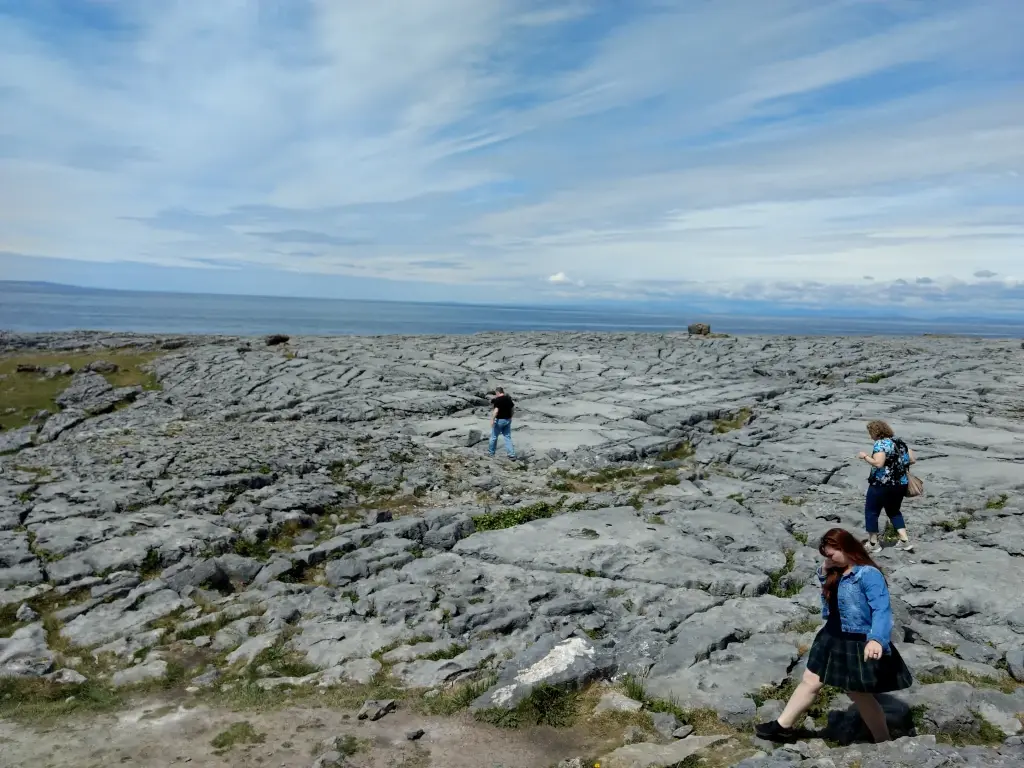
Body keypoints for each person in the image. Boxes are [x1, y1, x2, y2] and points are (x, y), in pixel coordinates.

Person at [756, 528, 913, 744]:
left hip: (856, 642)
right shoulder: (836, 571)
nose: (828, 559)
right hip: (831, 636)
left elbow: (882, 610)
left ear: (846, 548)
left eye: (831, 554)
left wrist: (876, 639)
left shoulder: (868, 575)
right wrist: (825, 570)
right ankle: (782, 726)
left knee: (858, 694)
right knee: (810, 680)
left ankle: (883, 741)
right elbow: (833, 601)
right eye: (826, 555)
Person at [858, 420, 916, 553]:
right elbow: (911, 460)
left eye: (870, 433)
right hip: (900, 483)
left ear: (876, 432)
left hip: (881, 484)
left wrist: (865, 456)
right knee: (894, 512)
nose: (870, 436)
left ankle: (873, 543)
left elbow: (878, 463)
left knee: (871, 511)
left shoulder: (881, 444)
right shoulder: (899, 441)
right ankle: (904, 541)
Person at [488, 386, 516, 459]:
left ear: (498, 392)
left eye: (495, 393)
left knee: (494, 436)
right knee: (507, 437)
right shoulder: (508, 399)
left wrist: (492, 420)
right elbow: (512, 409)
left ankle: (491, 453)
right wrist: (511, 417)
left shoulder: (498, 400)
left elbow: (496, 411)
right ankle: (511, 454)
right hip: (507, 420)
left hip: (499, 420)